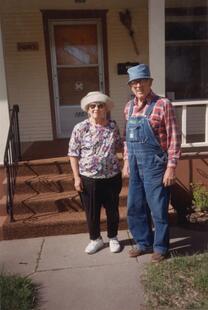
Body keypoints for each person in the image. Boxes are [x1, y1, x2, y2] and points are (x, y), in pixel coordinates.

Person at [122, 64, 181, 263]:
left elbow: (174, 137)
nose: (138, 85)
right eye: (134, 82)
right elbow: (126, 139)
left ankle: (161, 247)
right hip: (135, 163)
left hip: (156, 164)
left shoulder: (163, 104)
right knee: (135, 206)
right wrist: (126, 163)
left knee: (158, 207)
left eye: (142, 81)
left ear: (150, 82)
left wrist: (171, 167)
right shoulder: (128, 107)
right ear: (130, 86)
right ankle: (142, 242)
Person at [68, 91, 122, 254]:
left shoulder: (113, 126)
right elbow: (73, 153)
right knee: (92, 212)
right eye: (92, 106)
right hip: (89, 178)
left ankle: (113, 237)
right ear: (87, 109)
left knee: (112, 210)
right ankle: (95, 239)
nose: (96, 108)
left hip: (112, 177)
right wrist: (77, 177)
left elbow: (120, 145)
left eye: (100, 105)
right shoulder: (80, 128)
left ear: (105, 108)